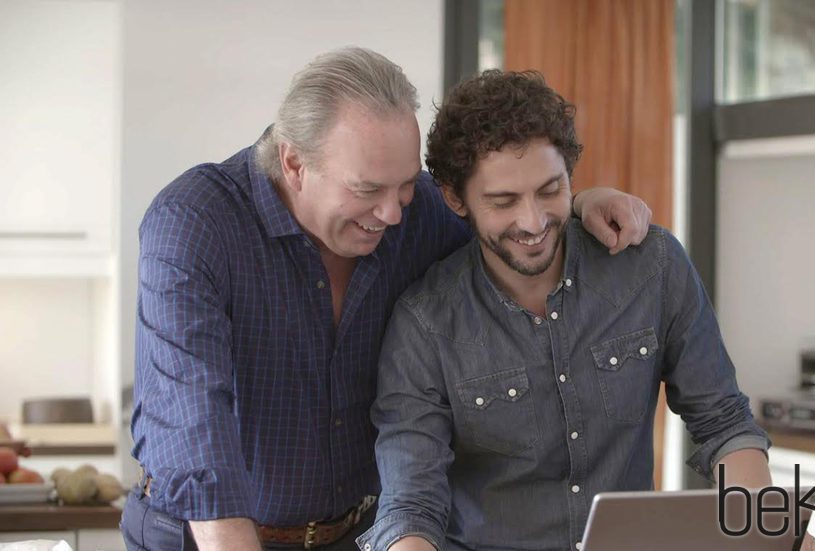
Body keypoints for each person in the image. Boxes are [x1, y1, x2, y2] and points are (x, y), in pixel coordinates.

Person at [122, 48, 652, 551]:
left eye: (403, 186)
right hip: (203, 536)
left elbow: (510, 224)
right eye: (368, 189)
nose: (392, 214)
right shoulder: (193, 224)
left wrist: (582, 203)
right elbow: (193, 422)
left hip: (358, 534)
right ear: (294, 164)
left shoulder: (417, 212)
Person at [357, 70, 781, 551]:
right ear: (456, 198)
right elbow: (412, 504)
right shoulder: (425, 323)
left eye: (550, 189)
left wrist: (763, 530)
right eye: (503, 201)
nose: (533, 221)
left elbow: (722, 420)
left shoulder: (651, 267)